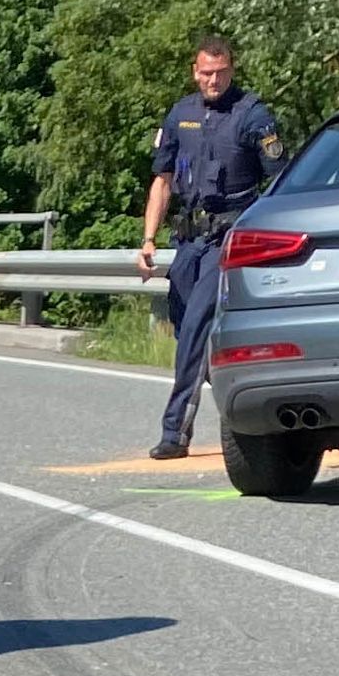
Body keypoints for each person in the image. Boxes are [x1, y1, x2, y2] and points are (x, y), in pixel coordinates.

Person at [135, 36, 285, 460]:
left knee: (196, 331)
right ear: (194, 70)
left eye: (219, 72)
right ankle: (252, 398)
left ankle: (174, 431)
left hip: (229, 241)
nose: (212, 80)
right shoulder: (180, 114)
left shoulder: (253, 115)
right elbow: (162, 181)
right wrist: (148, 239)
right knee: (186, 329)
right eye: (205, 72)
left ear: (231, 70)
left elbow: (278, 184)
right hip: (187, 243)